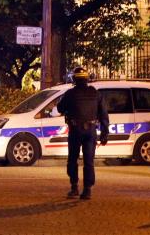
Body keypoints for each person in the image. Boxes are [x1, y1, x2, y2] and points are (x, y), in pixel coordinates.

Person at [57, 66, 109, 200]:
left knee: (72, 160)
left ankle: (74, 187)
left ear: (74, 79)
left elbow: (60, 108)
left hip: (75, 130)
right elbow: (103, 114)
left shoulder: (70, 94)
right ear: (87, 79)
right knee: (89, 161)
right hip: (90, 131)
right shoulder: (96, 94)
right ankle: (87, 190)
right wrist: (104, 133)